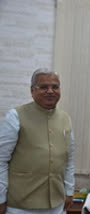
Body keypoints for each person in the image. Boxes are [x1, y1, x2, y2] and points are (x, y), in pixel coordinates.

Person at [0, 68, 75, 214]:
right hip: (21, 205)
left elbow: (69, 159)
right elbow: (1, 160)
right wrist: (0, 198)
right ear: (32, 90)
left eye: (55, 87)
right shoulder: (15, 116)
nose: (50, 91)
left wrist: (69, 190)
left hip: (56, 204)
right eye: (43, 87)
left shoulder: (65, 118)